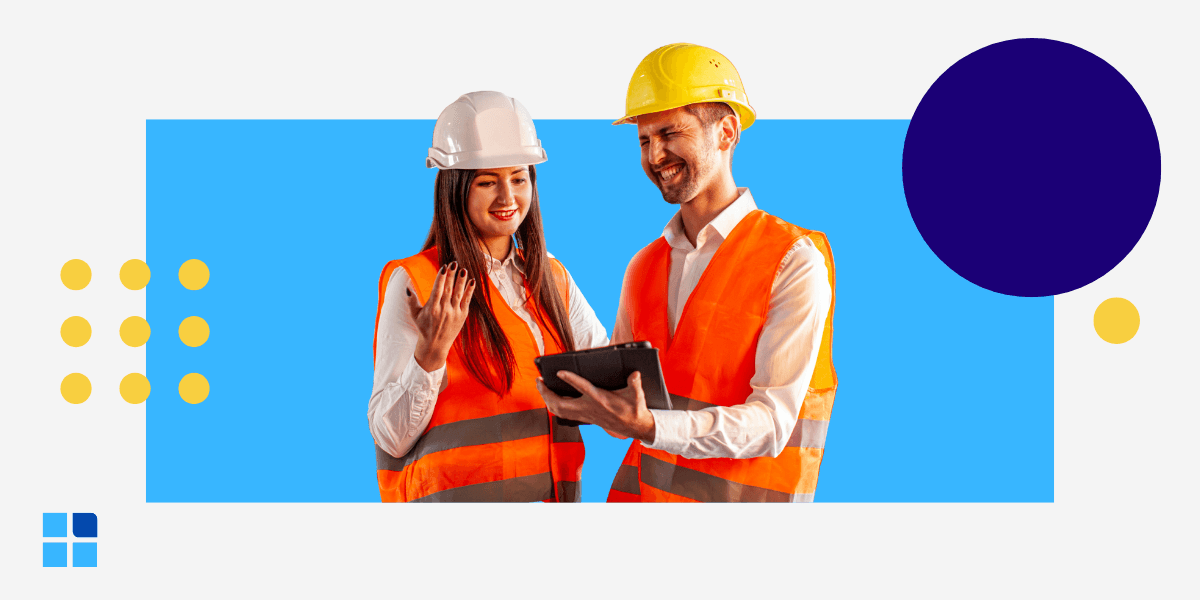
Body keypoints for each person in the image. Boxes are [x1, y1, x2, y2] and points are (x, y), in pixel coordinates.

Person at [536, 43, 838, 502]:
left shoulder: (792, 259)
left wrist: (651, 425)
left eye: (670, 133)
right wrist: (592, 405)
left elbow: (774, 422)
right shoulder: (644, 265)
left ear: (726, 132)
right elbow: (630, 411)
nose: (655, 155)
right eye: (643, 139)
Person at [368, 91, 609, 502]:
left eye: (518, 177)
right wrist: (430, 354)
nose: (508, 197)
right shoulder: (417, 281)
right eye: (487, 181)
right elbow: (390, 436)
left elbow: (608, 372)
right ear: (455, 187)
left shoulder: (551, 277)